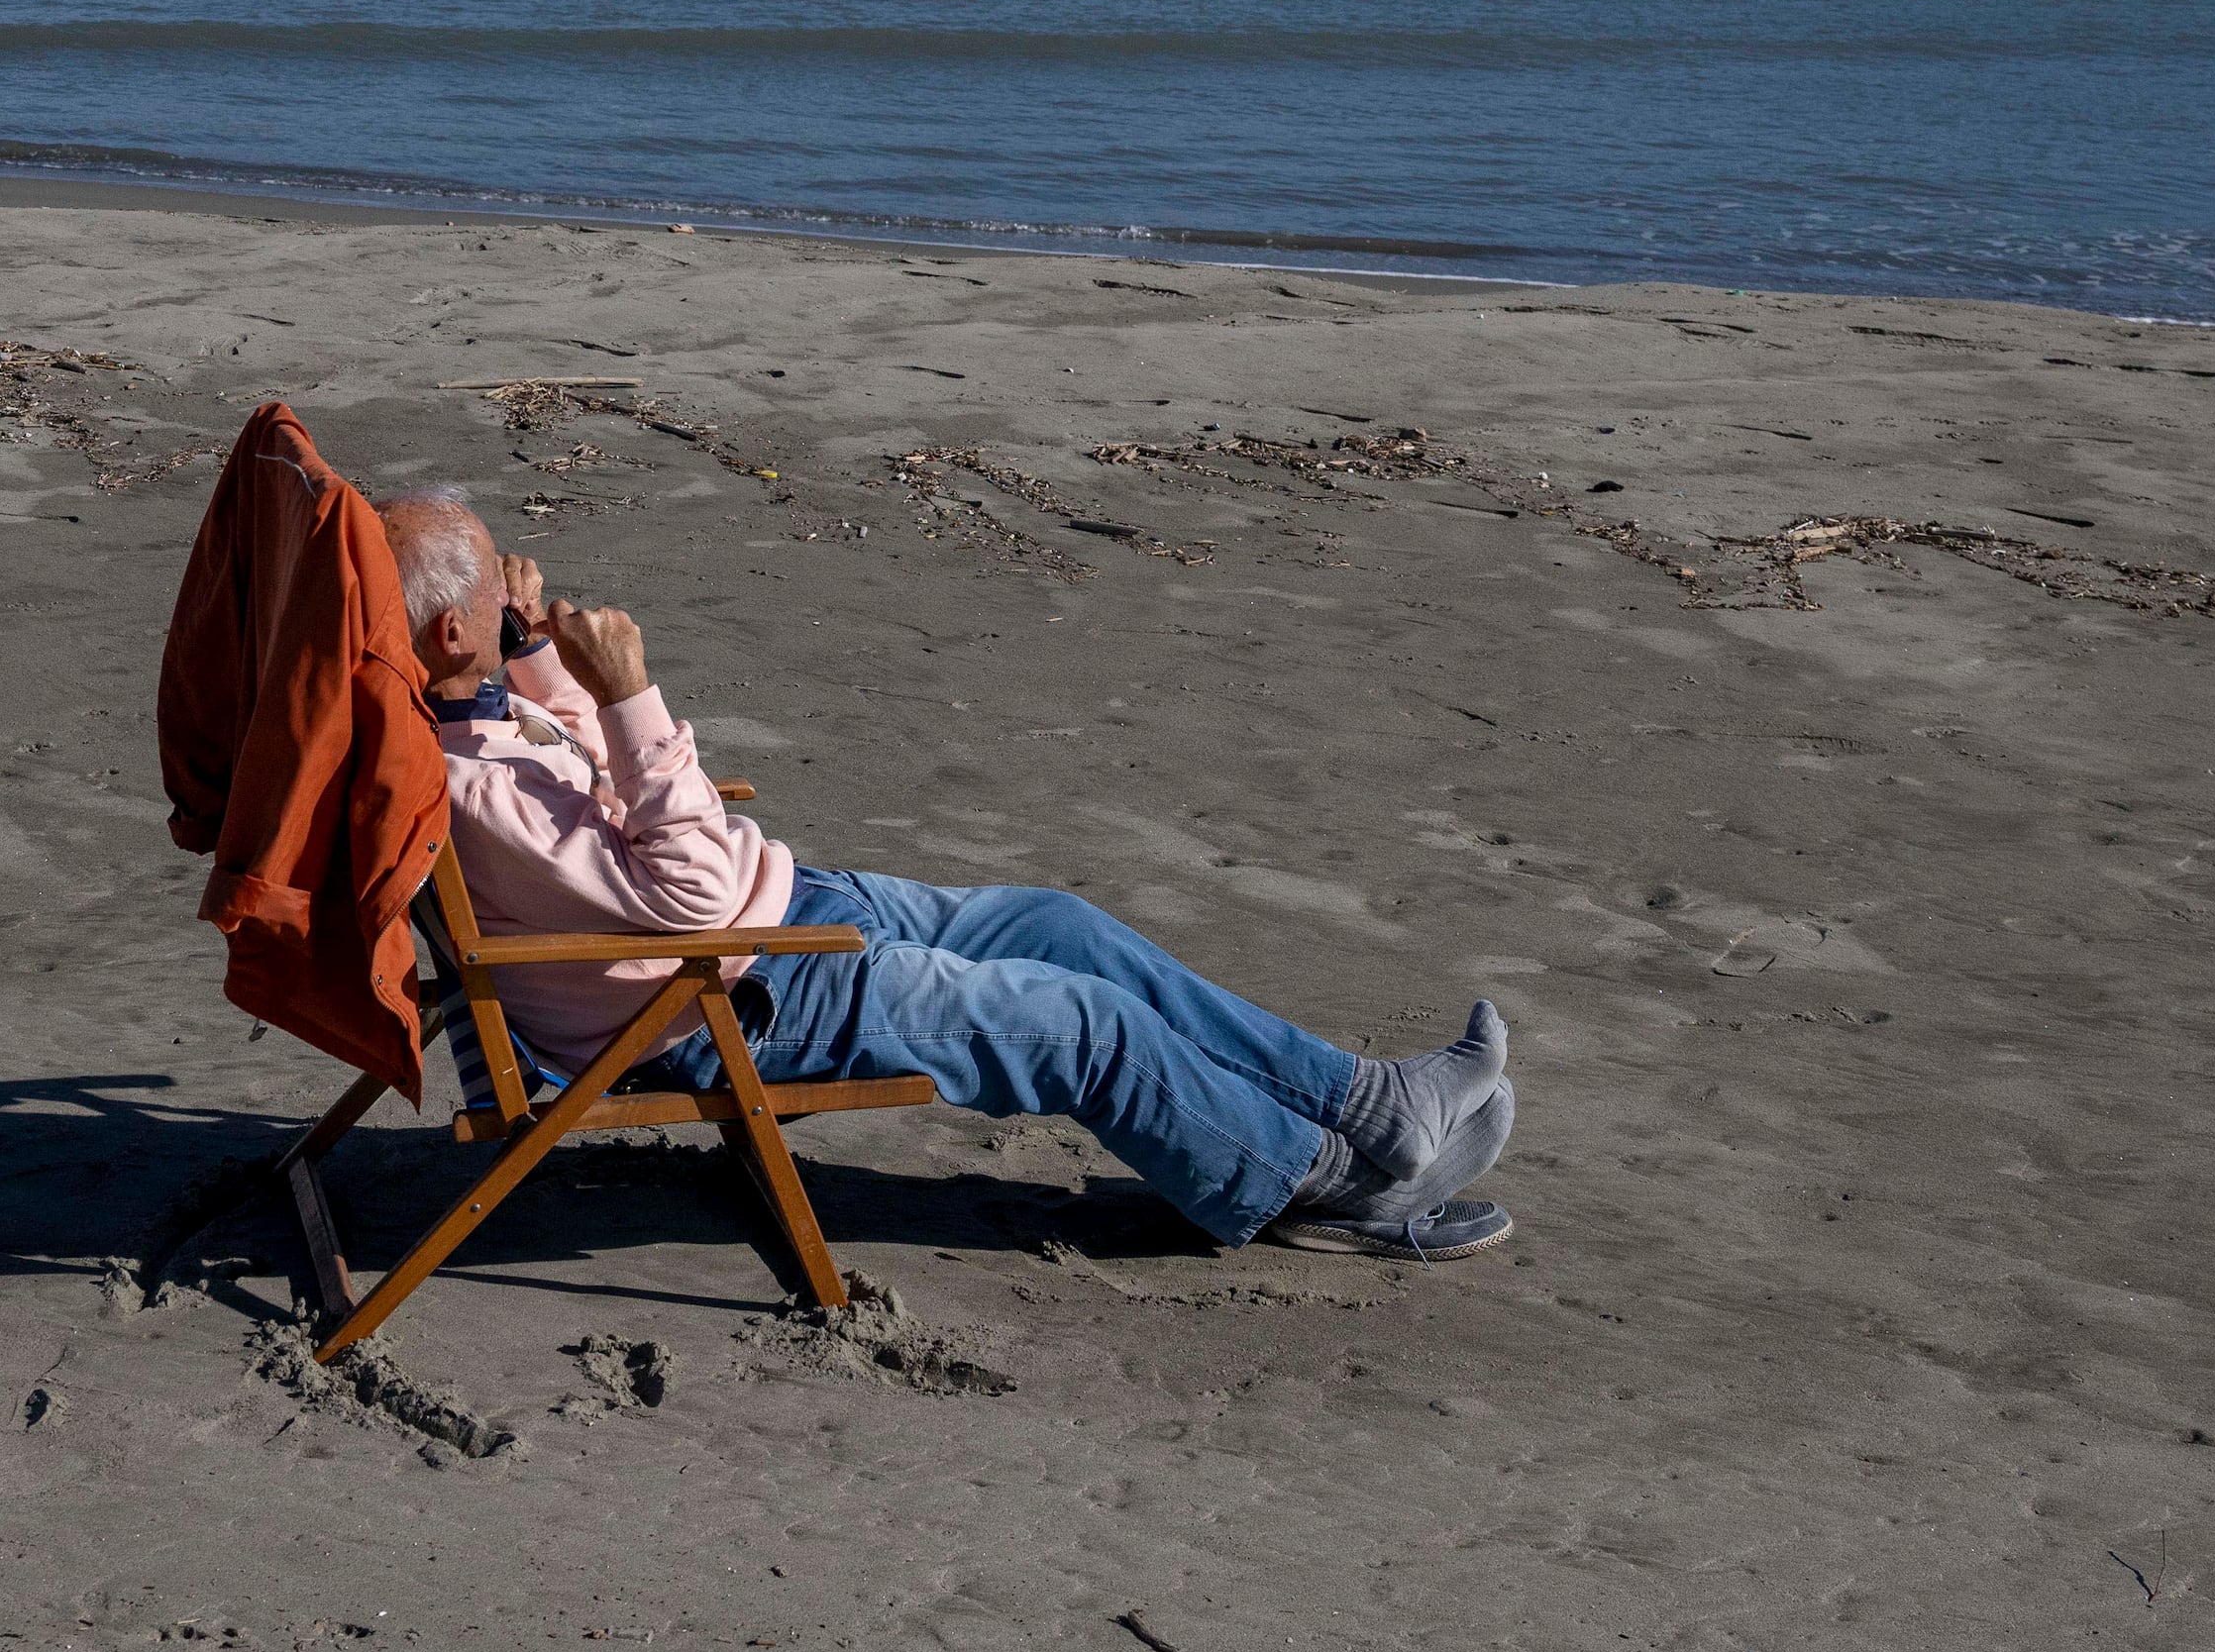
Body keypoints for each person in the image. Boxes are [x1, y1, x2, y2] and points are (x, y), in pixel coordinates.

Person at [375, 484, 1517, 1261]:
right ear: (443, 639)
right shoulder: (467, 786)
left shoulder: (466, 722)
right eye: (494, 598)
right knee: (1081, 1025)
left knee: (1057, 926)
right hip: (725, 993)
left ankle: (1370, 1104)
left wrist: (531, 661)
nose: (518, 599)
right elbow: (686, 898)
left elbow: (592, 794)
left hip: (769, 915)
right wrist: (629, 691)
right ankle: (1321, 1189)